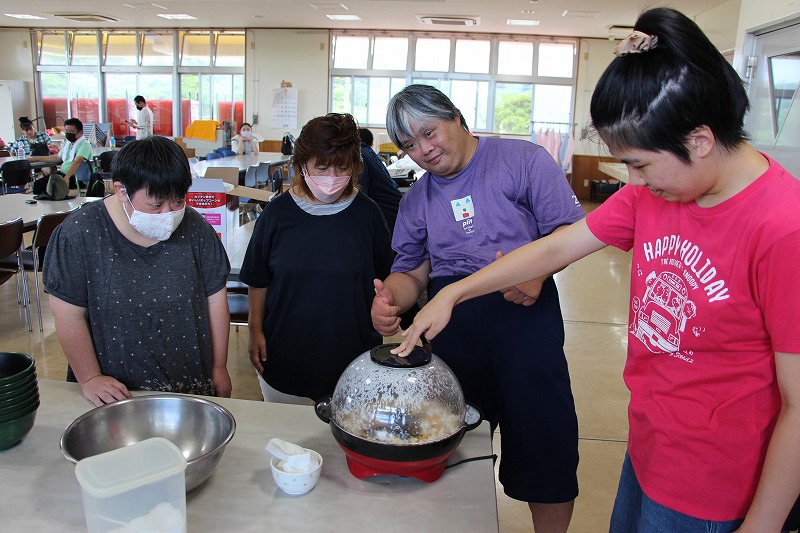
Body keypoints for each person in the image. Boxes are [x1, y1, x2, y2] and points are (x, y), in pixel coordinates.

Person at [394, 9, 800, 533]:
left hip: (720, 482)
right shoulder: (651, 195)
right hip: (652, 448)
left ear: (699, 140)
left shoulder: (782, 227)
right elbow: (555, 248)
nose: (628, 179)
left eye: (638, 164)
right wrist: (451, 295)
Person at [370, 84, 584, 532]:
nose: (424, 150)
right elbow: (411, 273)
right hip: (456, 329)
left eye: (430, 133)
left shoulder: (521, 161)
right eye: (409, 145)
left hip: (526, 319)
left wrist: (539, 270)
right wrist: (390, 299)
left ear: (457, 118)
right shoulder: (417, 201)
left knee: (545, 445)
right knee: (454, 447)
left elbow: (569, 231)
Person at [42, 136, 232, 407]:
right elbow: (68, 315)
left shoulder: (195, 228)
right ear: (122, 191)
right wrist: (90, 378)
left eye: (178, 202)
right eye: (155, 205)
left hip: (189, 383)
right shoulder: (80, 234)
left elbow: (215, 300)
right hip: (115, 392)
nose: (168, 213)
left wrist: (218, 366)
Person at [239, 113, 392, 405]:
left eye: (342, 168)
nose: (332, 178)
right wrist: (255, 330)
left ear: (355, 167)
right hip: (285, 352)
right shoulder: (277, 215)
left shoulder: (368, 215)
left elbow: (386, 279)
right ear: (301, 165)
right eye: (321, 168)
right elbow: (258, 280)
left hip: (351, 356)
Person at [357, 127, 402, 238]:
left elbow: (360, 199)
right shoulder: (367, 152)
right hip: (395, 217)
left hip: (388, 222)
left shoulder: (360, 157)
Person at [29, 117, 92, 190]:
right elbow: (58, 157)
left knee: (41, 187)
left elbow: (77, 162)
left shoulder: (84, 144)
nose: (68, 134)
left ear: (80, 132)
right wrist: (35, 159)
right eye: (67, 131)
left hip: (76, 178)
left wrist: (66, 177)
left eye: (71, 131)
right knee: (38, 185)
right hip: (63, 173)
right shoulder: (68, 143)